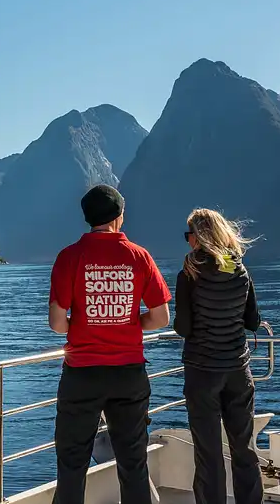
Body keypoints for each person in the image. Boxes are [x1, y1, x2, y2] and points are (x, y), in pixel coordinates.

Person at [48, 184, 171, 504]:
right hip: (128, 373)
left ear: (88, 218)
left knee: (72, 464)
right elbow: (161, 317)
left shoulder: (69, 257)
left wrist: (87, 325)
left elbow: (57, 324)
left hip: (81, 374)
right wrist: (129, 323)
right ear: (119, 217)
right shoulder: (139, 256)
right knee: (133, 462)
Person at [173, 208, 264, 504]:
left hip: (202, 371)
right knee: (245, 449)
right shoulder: (240, 269)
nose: (188, 243)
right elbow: (252, 321)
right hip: (238, 369)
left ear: (198, 238)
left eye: (189, 236)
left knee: (208, 453)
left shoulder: (189, 273)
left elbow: (183, 327)